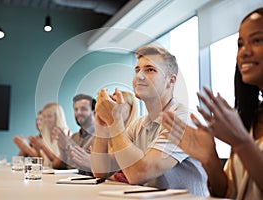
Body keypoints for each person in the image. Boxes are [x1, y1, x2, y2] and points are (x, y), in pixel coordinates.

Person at [162, 8, 263, 199]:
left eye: (257, 40)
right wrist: (210, 160)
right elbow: (227, 192)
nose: (244, 52)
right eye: (240, 44)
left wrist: (243, 143)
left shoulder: (241, 135)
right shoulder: (248, 118)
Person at [92, 45, 209, 196]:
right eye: (137, 70)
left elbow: (138, 173)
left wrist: (115, 121)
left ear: (170, 81)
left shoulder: (183, 119)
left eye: (150, 70)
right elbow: (101, 171)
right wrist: (102, 125)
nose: (139, 76)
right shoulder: (139, 124)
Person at [54, 94, 96, 174]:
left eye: (83, 109)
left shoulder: (102, 137)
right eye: (76, 109)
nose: (78, 113)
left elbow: (84, 168)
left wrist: (68, 146)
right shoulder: (74, 137)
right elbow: (59, 167)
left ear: (94, 112)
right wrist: (62, 150)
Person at [29, 102, 70, 169]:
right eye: (44, 117)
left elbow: (59, 163)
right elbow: (44, 161)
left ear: (58, 117)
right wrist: (37, 149)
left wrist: (43, 147)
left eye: (49, 116)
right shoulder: (45, 134)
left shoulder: (64, 134)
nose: (46, 120)